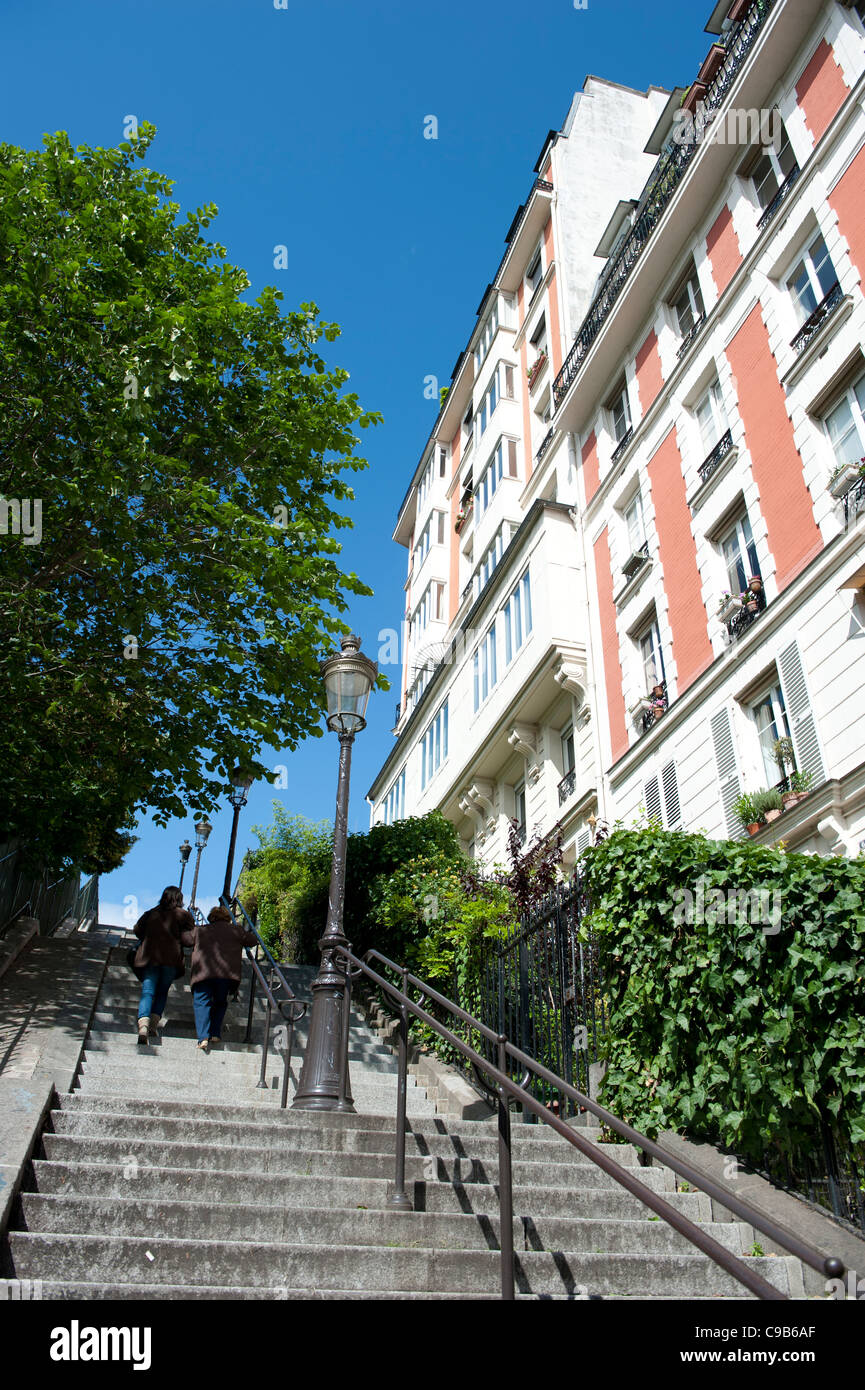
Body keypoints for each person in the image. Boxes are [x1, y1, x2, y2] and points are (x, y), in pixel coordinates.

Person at [183, 905, 257, 1053]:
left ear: (211, 918)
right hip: (226, 975)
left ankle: (203, 1037)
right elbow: (252, 940)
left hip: (203, 973)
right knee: (220, 1002)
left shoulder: (201, 930)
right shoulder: (236, 930)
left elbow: (186, 939)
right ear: (227, 918)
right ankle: (215, 1033)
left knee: (201, 1002)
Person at [132, 887, 194, 1045]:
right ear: (179, 898)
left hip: (150, 957)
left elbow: (137, 930)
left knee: (147, 992)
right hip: (171, 960)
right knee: (162, 992)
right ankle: (153, 1024)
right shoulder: (183, 915)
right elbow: (189, 938)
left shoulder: (152, 913)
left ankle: (143, 1025)